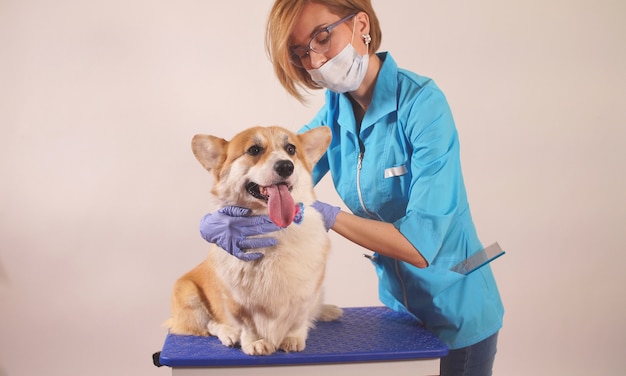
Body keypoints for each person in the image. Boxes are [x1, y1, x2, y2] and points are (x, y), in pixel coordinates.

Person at [199, 1, 504, 375]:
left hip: (458, 300)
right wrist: (221, 220)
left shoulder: (423, 105)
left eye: (322, 37)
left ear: (361, 24)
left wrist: (325, 216)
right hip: (401, 306)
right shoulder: (334, 112)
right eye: (300, 53)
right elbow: (283, 173)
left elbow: (422, 246)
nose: (314, 60)